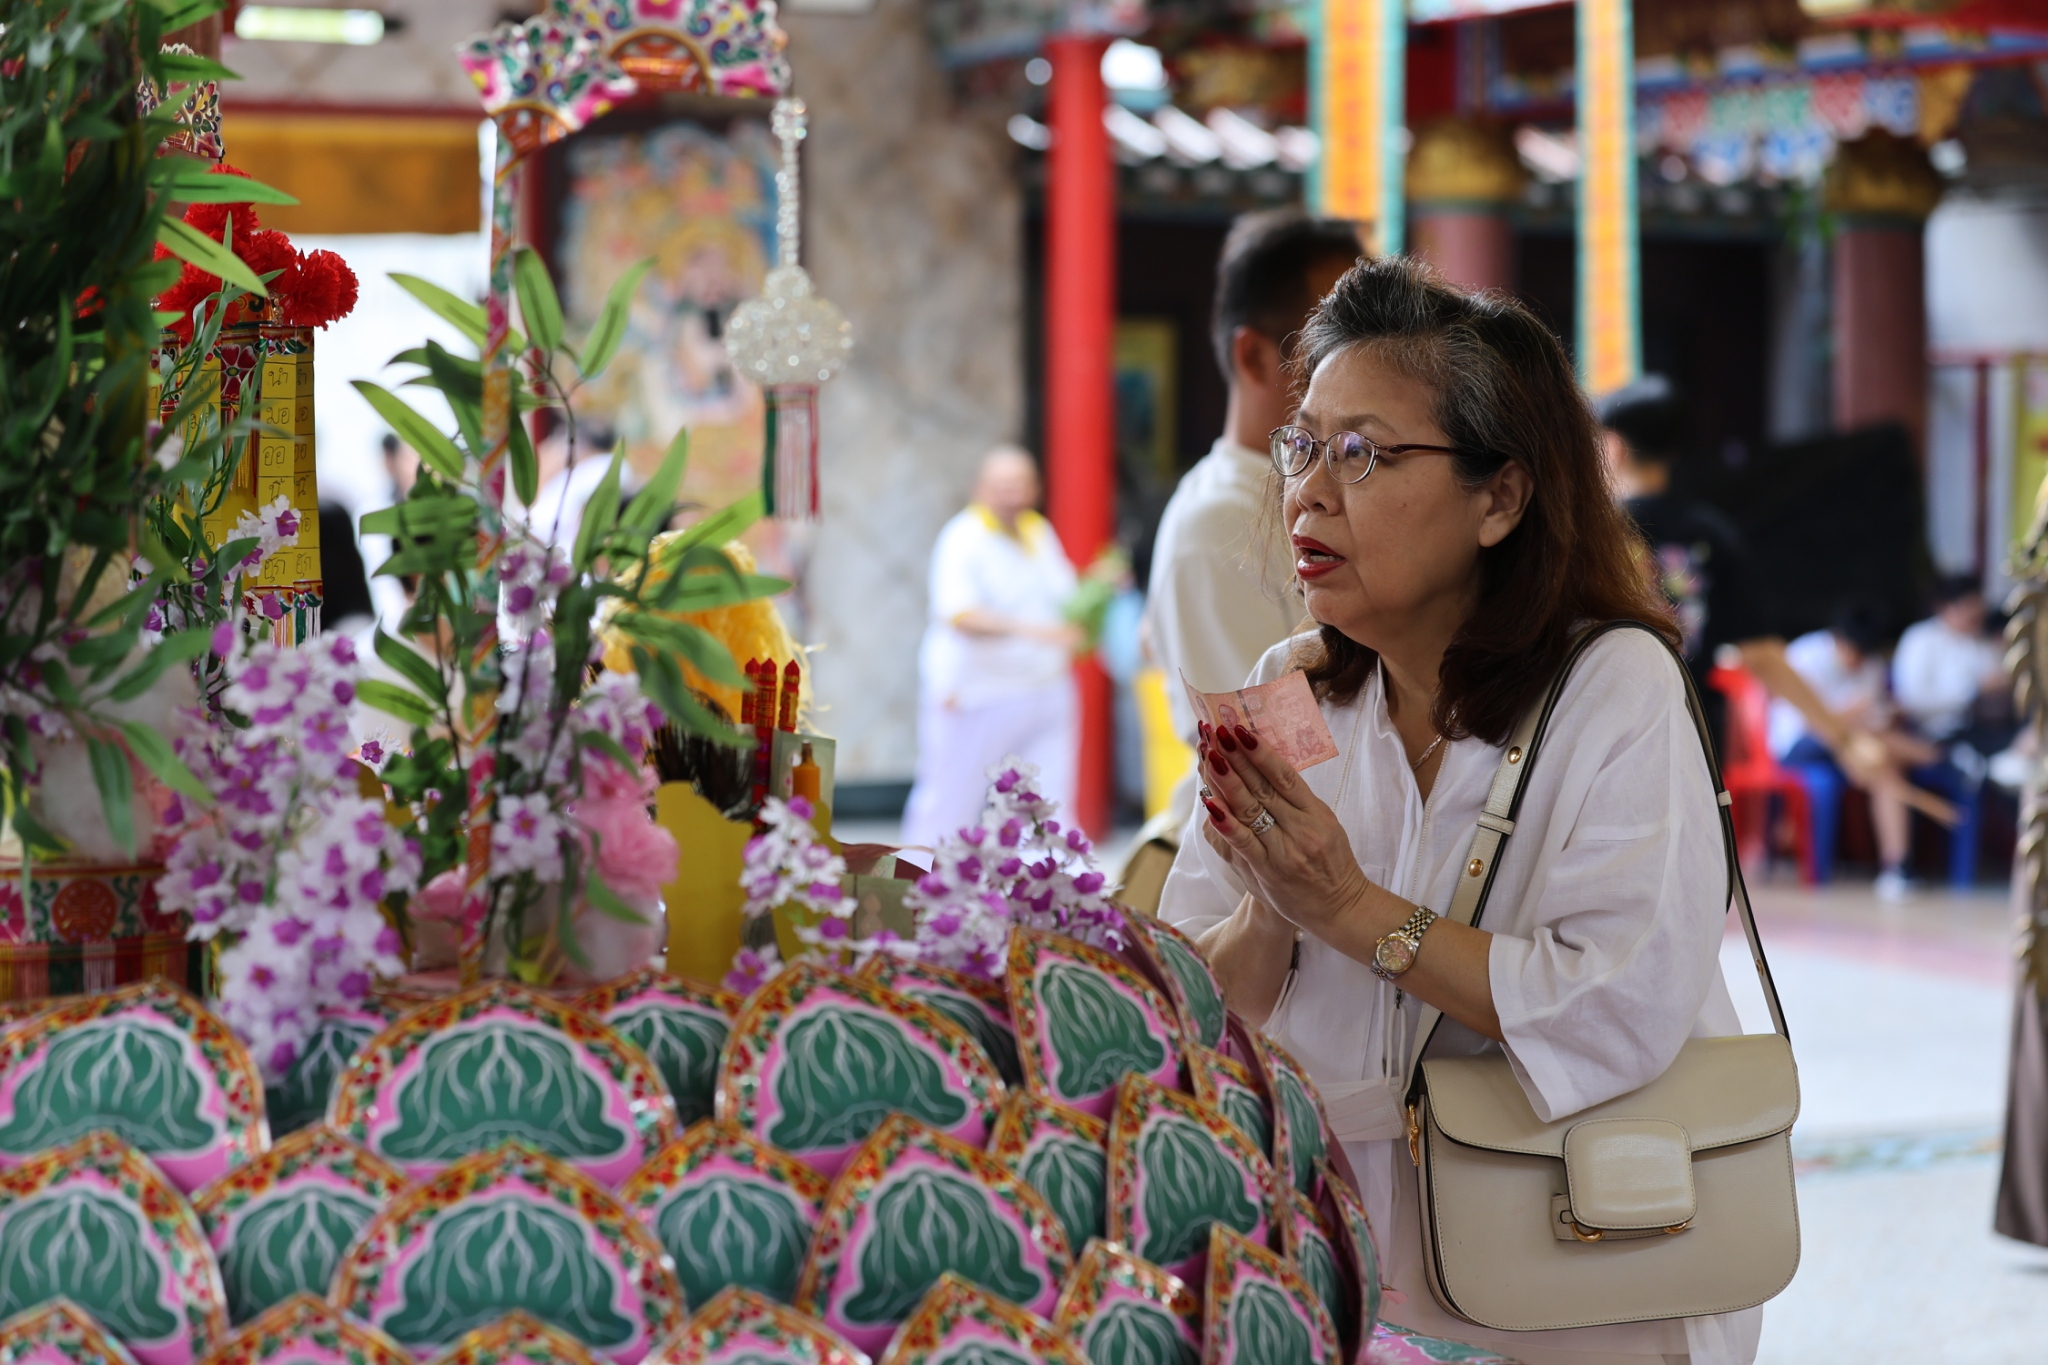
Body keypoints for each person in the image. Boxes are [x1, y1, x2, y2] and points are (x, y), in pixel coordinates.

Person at [1159, 258, 1761, 1365]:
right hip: (1337, 1260)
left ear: (1500, 497)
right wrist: (1274, 907)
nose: (1308, 494)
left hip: (1578, 1267)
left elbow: (1616, 1002)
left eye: (1362, 453)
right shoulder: (1289, 686)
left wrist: (1348, 908)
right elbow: (1196, 1008)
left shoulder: (1612, 685)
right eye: (1302, 446)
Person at [1144, 211, 1361, 829]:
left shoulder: (1332, 495)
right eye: (1336, 344)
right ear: (1255, 355)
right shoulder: (1220, 526)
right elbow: (1281, 772)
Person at [902, 447, 1080, 847]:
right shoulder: (963, 538)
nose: (1011, 495)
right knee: (949, 804)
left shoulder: (1038, 530)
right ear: (979, 489)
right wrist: (1036, 632)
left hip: (1042, 689)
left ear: (1036, 489)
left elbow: (1063, 598)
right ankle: (923, 880)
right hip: (976, 693)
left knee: (1044, 806)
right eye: (1001, 486)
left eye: (1019, 485)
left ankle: (1046, 883)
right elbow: (961, 615)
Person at [1769, 601, 1931, 897]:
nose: (1858, 661)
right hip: (1800, 744)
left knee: (1885, 766)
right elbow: (1806, 722)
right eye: (1854, 652)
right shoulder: (1805, 655)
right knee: (1882, 756)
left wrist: (1880, 715)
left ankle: (1897, 867)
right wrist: (1849, 714)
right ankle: (1935, 756)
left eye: (1863, 654)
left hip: (1851, 746)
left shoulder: (1871, 663)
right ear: (1838, 638)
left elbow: (1869, 717)